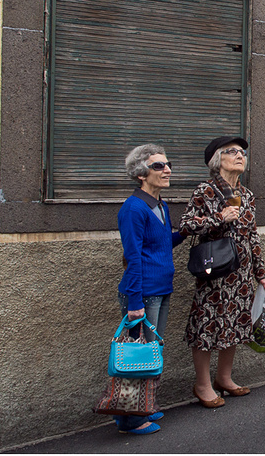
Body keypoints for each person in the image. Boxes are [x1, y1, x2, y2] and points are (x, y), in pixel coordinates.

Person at [180, 136, 265, 408]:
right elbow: (186, 225)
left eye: (242, 152)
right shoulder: (205, 190)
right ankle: (202, 384)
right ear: (217, 160)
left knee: (235, 323)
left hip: (241, 272)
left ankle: (224, 378)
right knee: (208, 323)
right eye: (232, 152)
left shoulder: (247, 195)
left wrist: (260, 273)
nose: (240, 155)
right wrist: (219, 218)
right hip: (215, 269)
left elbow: (252, 235)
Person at [116, 143, 184, 435]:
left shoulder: (161, 205)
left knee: (151, 353)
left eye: (167, 165)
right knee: (139, 358)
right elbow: (133, 257)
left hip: (161, 289)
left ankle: (142, 407)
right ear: (141, 173)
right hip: (142, 294)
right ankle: (130, 420)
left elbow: (163, 243)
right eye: (158, 166)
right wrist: (134, 303)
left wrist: (188, 231)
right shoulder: (133, 208)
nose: (167, 170)